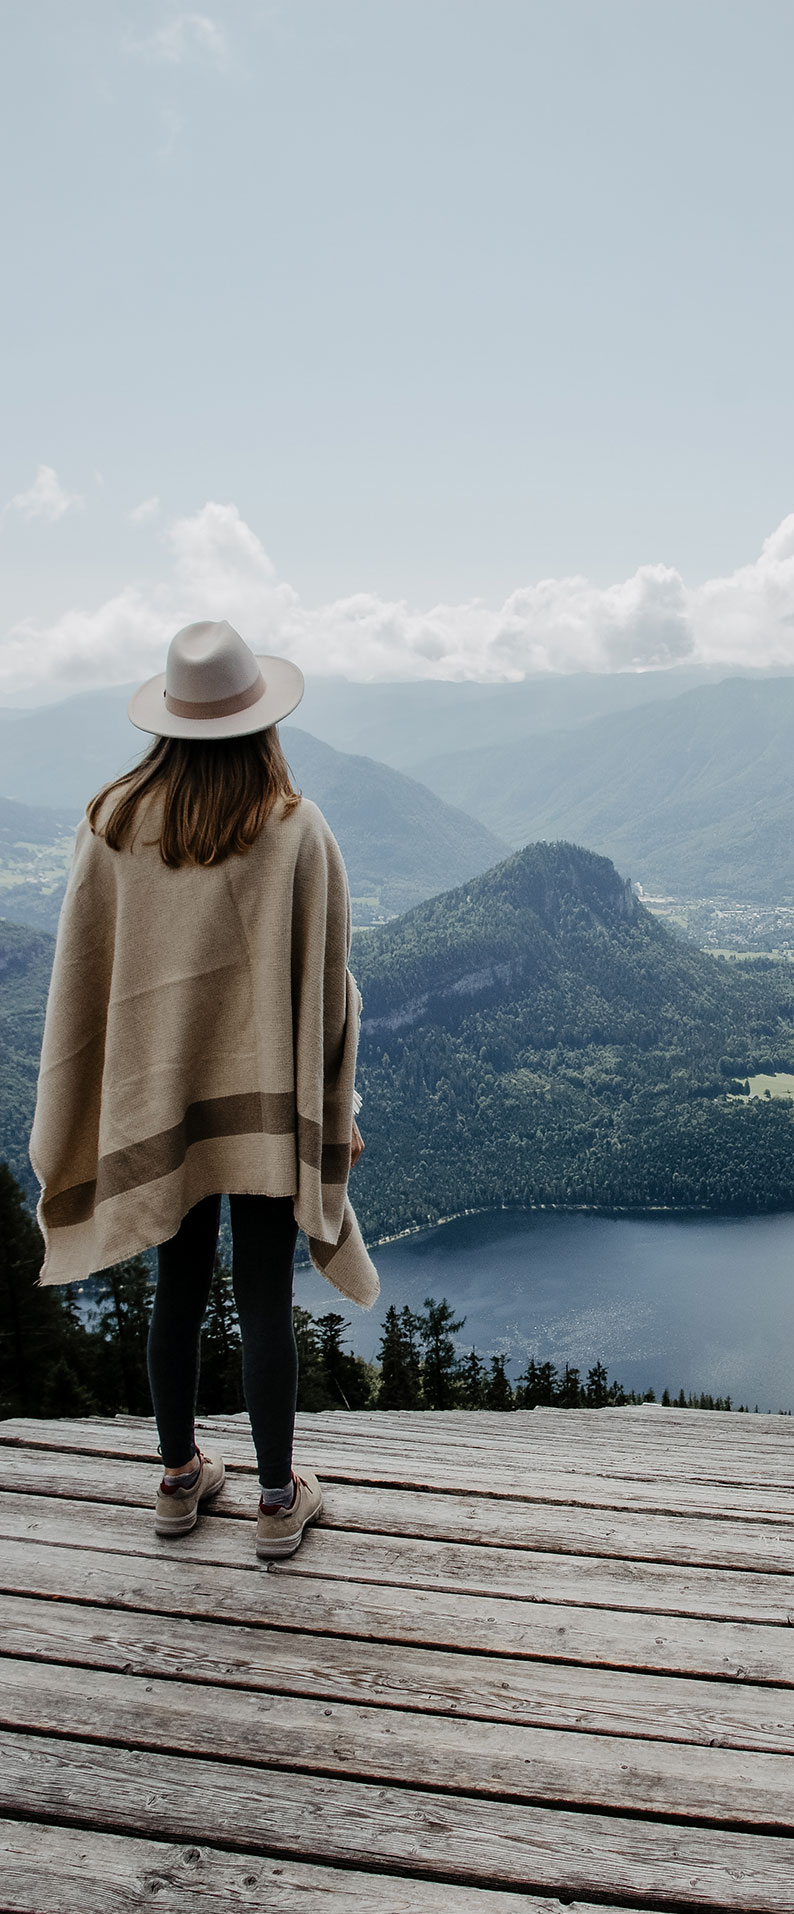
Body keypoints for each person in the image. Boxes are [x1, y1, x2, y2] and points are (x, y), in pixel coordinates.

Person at [30, 620, 379, 1557]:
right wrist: (337, 1113)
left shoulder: (110, 824)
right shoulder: (296, 829)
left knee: (175, 1287)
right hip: (268, 1109)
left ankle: (179, 1482)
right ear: (263, 721)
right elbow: (330, 993)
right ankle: (275, 1502)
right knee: (264, 1295)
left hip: (158, 1106)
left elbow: (87, 984)